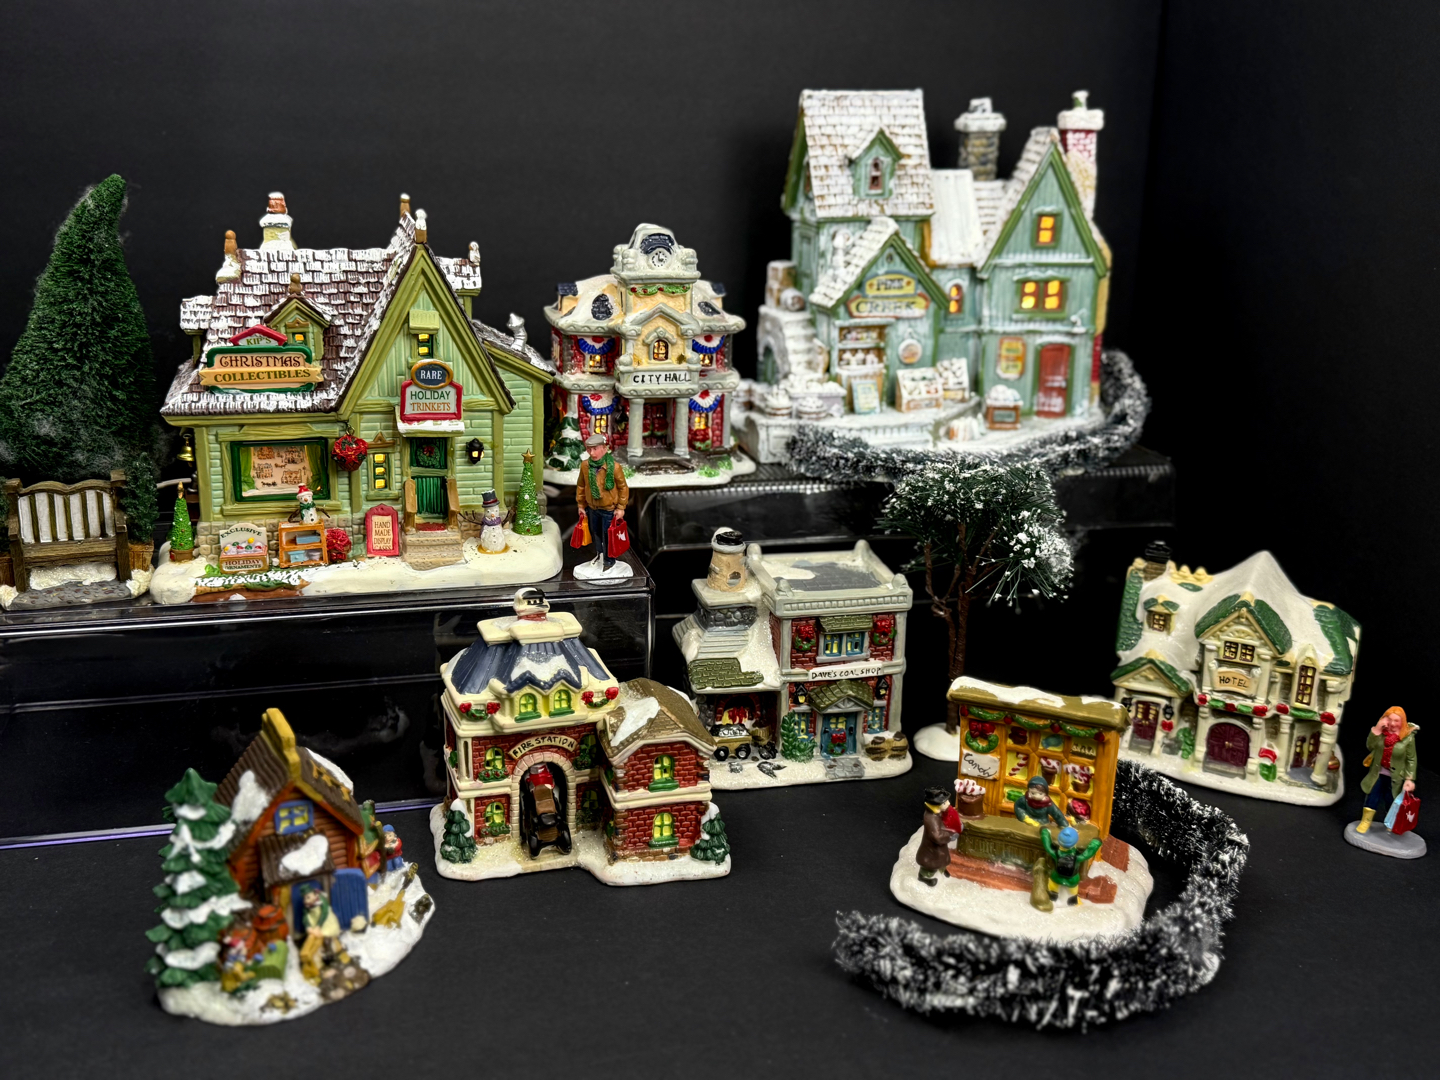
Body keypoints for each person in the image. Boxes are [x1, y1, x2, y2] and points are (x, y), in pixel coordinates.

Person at [1357, 706, 1418, 834]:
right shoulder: (1381, 733)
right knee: (1372, 797)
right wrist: (1377, 729)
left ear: (1402, 721)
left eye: (1396, 721)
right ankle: (1366, 821)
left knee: (1392, 800)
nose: (1392, 724)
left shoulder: (1408, 737)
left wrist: (1409, 779)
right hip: (1378, 773)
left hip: (1395, 776)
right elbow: (1370, 746)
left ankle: (1392, 822)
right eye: (1390, 720)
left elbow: (1411, 759)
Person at [574, 433, 628, 571]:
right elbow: (581, 486)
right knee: (596, 532)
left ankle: (609, 561)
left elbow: (623, 487)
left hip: (609, 509)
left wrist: (621, 507)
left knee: (608, 535)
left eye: (595, 449)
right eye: (589, 449)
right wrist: (581, 504)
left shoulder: (614, 467)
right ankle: (600, 554)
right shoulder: (585, 466)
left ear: (604, 448)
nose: (592, 453)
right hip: (592, 508)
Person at [1041, 825, 1103, 907]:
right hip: (1072, 879)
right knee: (1073, 890)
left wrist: (1045, 832)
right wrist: (1096, 843)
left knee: (1052, 886)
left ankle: (1052, 897)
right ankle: (1073, 901)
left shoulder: (1055, 854)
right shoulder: (1077, 857)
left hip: (1056, 877)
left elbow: (1048, 846)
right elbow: (1087, 853)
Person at [916, 786, 958, 887]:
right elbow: (937, 836)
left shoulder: (938, 813)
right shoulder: (931, 818)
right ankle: (924, 877)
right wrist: (950, 836)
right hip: (932, 846)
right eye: (944, 803)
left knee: (942, 857)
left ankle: (941, 870)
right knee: (931, 863)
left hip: (940, 845)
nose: (948, 804)